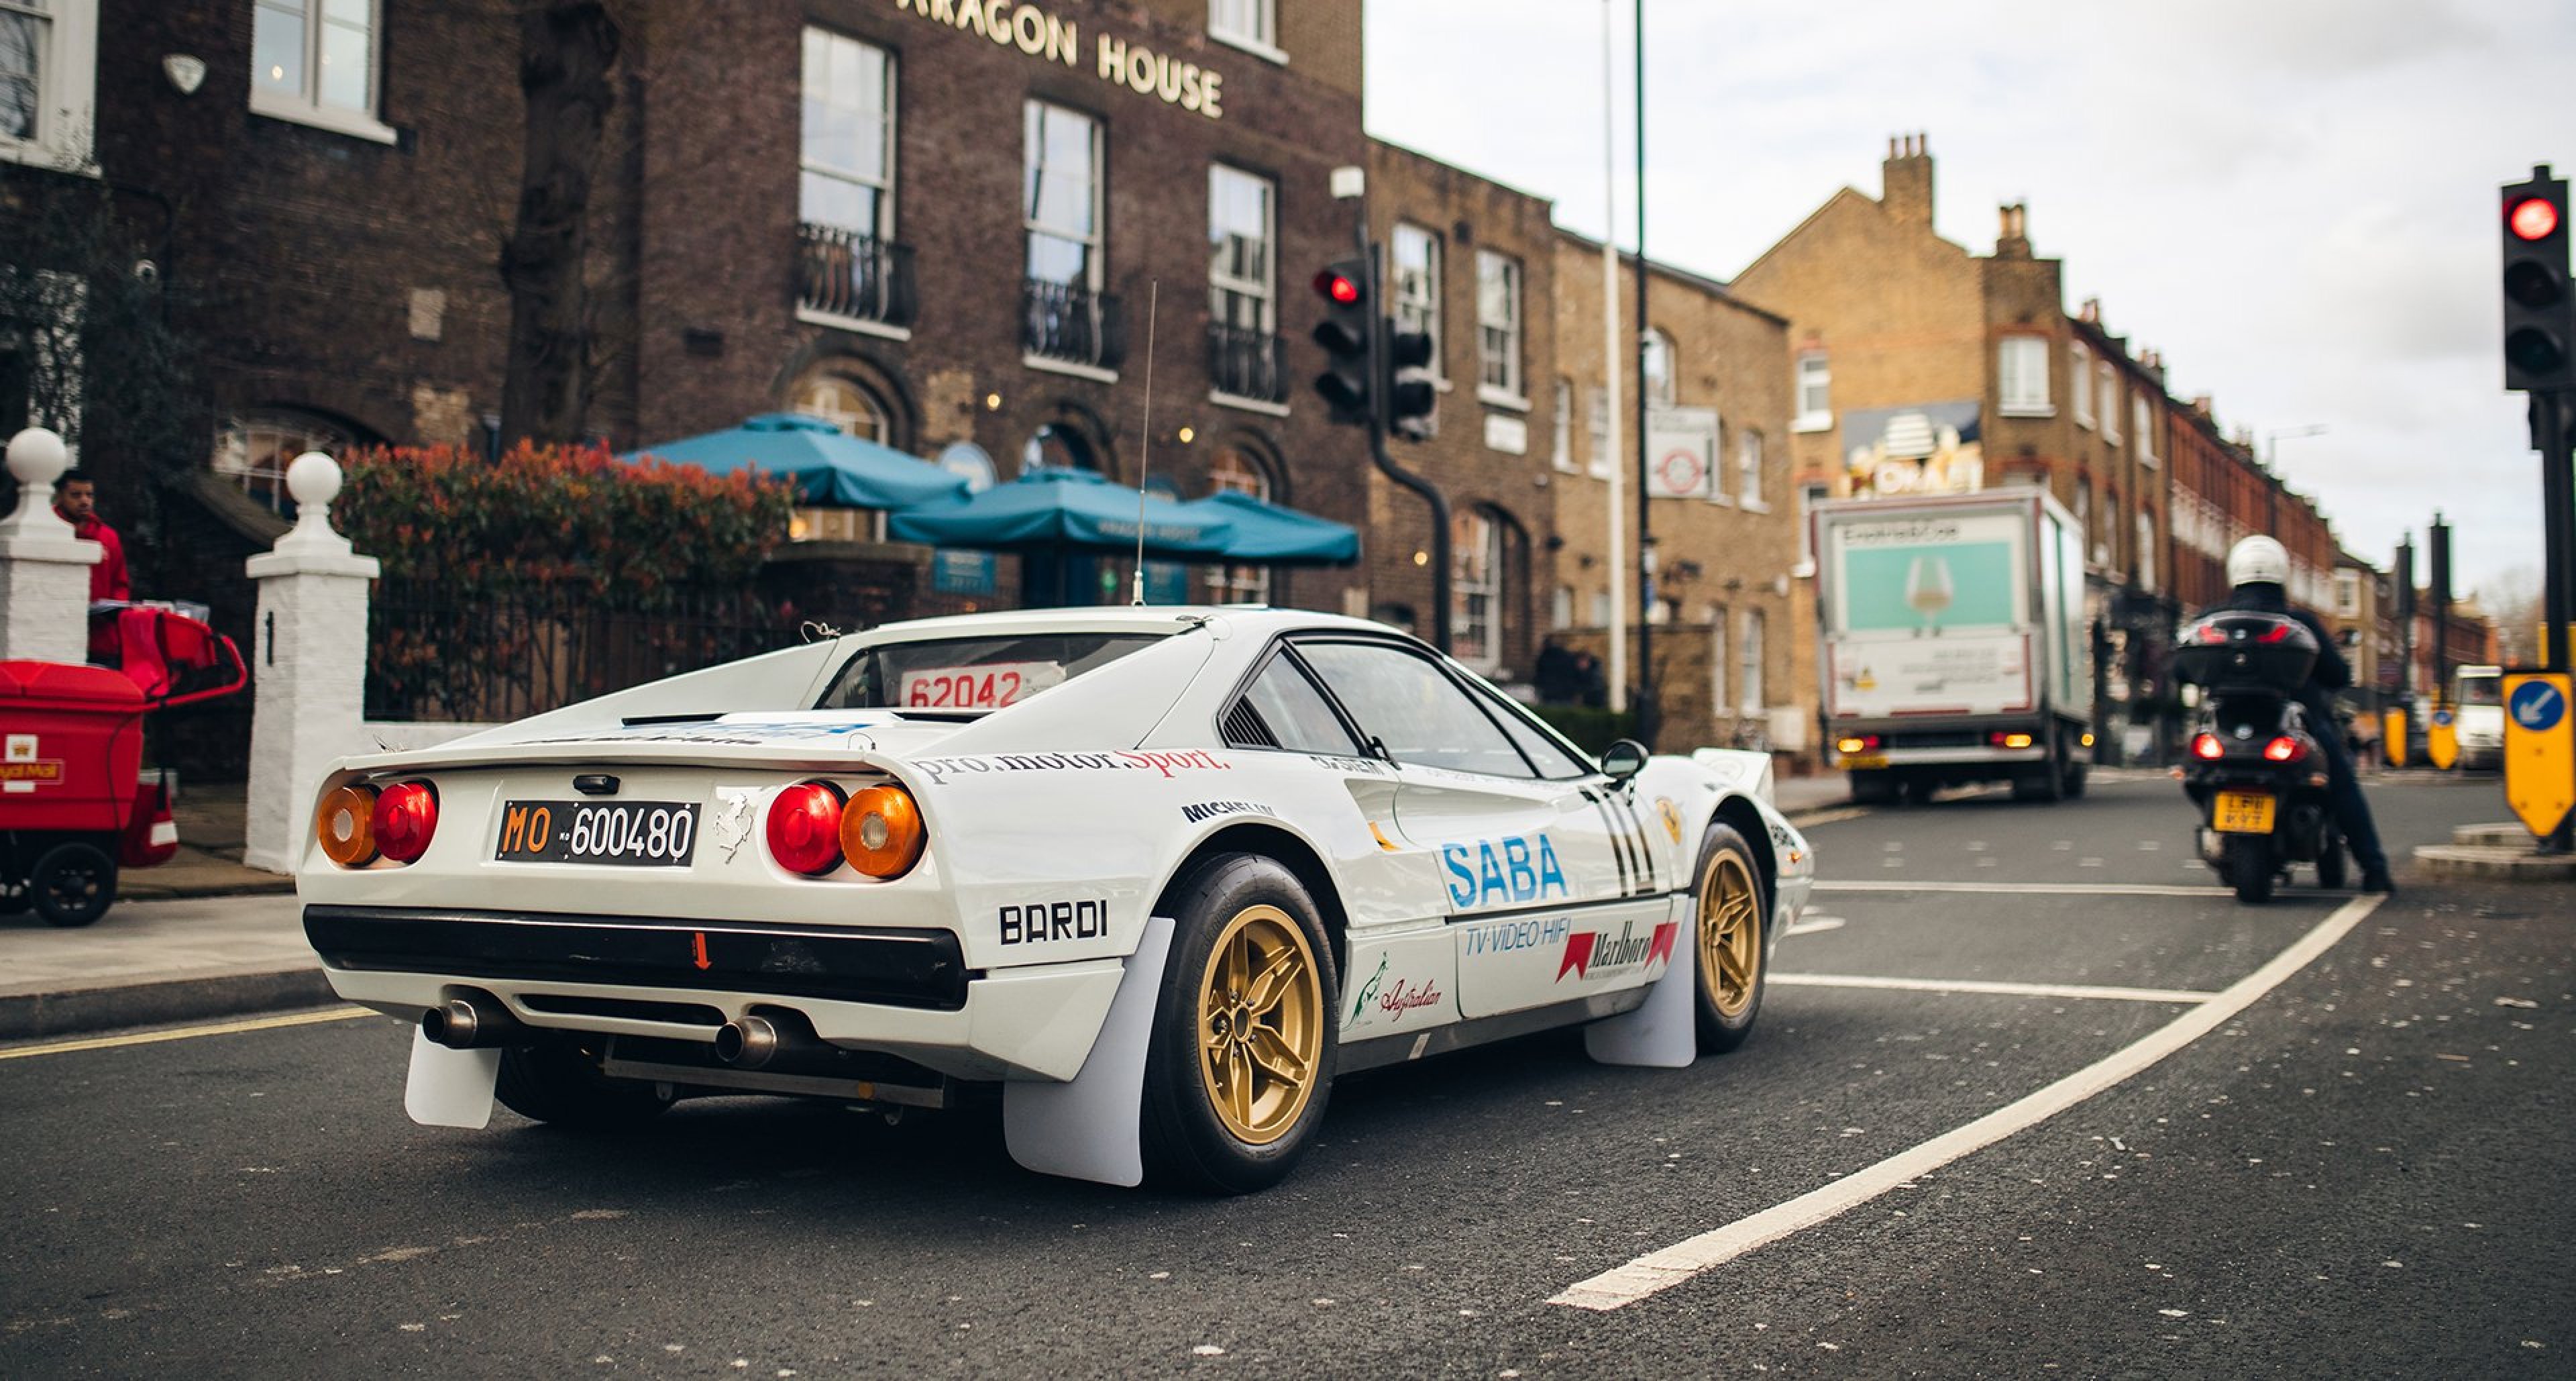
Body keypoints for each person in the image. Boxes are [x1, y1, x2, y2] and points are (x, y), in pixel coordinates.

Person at [2209, 535, 2394, 893]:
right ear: (2281, 574)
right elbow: (2339, 675)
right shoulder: (2299, 623)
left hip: (2228, 729)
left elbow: (2182, 669)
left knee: (2198, 773)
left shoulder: (2215, 621)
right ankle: (2374, 868)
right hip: (2294, 725)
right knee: (2341, 785)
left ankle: (2218, 834)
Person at [54, 468, 131, 603]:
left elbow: (121, 585)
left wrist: (113, 610)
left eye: (89, 495)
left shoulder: (108, 536)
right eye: (76, 495)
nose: (85, 501)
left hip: (101, 621)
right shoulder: (48, 531)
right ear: (60, 497)